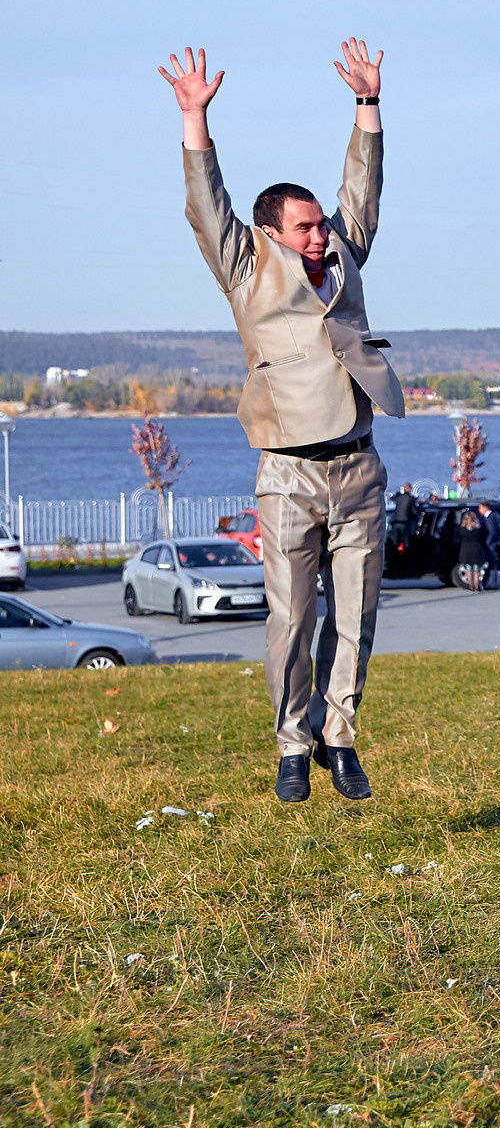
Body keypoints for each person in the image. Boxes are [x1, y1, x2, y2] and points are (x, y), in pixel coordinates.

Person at [166, 41, 403, 805]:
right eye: (304, 227)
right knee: (292, 617)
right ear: (271, 232)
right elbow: (208, 207)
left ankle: (340, 735)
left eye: (320, 225)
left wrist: (367, 105)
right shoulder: (246, 266)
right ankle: (292, 744)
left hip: (359, 464)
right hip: (289, 471)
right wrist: (196, 119)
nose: (320, 234)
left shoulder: (345, 254)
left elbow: (360, 193)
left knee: (357, 614)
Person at [453, 508, 490, 591]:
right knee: (476, 571)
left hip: (465, 551)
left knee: (468, 570)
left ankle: (471, 586)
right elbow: (484, 537)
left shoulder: (461, 530)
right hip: (477, 550)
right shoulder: (478, 529)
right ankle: (477, 586)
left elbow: (458, 539)